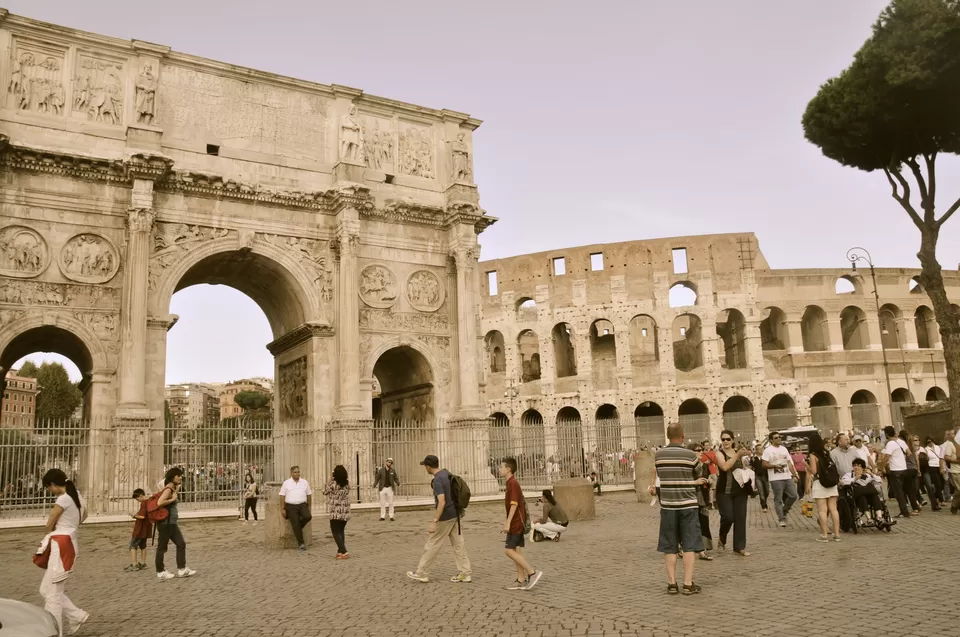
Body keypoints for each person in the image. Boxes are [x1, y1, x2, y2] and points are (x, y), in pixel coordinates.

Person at [647, 423, 706, 595]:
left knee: (669, 544)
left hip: (668, 505)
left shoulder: (659, 455)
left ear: (667, 435)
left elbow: (658, 473)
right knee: (689, 544)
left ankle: (672, 583)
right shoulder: (690, 455)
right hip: (687, 504)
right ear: (682, 435)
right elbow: (699, 473)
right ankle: (688, 583)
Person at [37, 469, 89, 636]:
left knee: (52, 594)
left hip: (61, 544)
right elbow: (85, 514)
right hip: (69, 542)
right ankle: (76, 615)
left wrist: (49, 532)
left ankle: (53, 632)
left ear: (53, 484)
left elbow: (51, 520)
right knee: (46, 590)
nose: (49, 491)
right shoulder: (77, 496)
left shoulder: (64, 498)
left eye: (48, 488)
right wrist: (71, 525)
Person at [406, 455, 472, 584]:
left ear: (428, 467)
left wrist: (435, 521)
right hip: (455, 514)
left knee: (432, 544)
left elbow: (441, 502)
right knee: (459, 545)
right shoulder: (446, 474)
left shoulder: (437, 481)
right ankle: (465, 573)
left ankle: (422, 573)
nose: (425, 468)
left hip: (445, 516)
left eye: (425, 466)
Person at [500, 457, 543, 590]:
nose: (499, 469)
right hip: (516, 522)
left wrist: (507, 523)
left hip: (516, 523)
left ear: (508, 469)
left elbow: (514, 504)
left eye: (501, 467)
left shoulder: (512, 483)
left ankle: (532, 572)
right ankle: (521, 579)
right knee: (516, 550)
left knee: (508, 550)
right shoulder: (510, 483)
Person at [714, 430, 751, 556]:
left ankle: (739, 547)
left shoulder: (738, 453)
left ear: (733, 440)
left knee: (740, 518)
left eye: (728, 439)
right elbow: (724, 467)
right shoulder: (719, 453)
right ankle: (722, 538)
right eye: (723, 439)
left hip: (740, 490)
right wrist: (737, 455)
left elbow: (745, 468)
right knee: (728, 517)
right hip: (724, 490)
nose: (725, 441)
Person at [155, 467, 196, 580]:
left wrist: (176, 489)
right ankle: (160, 571)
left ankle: (182, 569)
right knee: (161, 547)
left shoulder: (172, 488)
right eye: (178, 476)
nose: (180, 478)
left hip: (171, 522)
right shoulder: (168, 489)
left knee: (181, 543)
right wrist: (172, 500)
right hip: (165, 523)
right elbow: (159, 503)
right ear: (172, 477)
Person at [806, 432, 841, 542]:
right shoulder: (826, 452)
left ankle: (824, 534)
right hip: (831, 483)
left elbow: (814, 471)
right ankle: (837, 534)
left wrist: (806, 466)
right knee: (834, 509)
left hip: (820, 483)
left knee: (822, 510)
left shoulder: (813, 455)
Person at [762, 431, 800, 527]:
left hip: (787, 476)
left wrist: (795, 474)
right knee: (778, 499)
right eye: (776, 438)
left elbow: (789, 463)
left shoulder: (784, 449)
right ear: (771, 440)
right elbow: (764, 464)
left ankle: (784, 510)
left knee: (793, 495)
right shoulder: (768, 450)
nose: (779, 439)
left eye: (779, 437)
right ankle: (781, 519)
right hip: (775, 478)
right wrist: (774, 466)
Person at [879, 425, 915, 519]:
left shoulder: (890, 444)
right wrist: (901, 458)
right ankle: (908, 509)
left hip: (895, 470)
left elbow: (886, 457)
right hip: (904, 468)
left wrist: (882, 467)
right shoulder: (901, 441)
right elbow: (909, 453)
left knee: (899, 492)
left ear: (886, 434)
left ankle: (904, 512)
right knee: (903, 490)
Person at [279, 465, 313, 551]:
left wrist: (309, 506)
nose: (297, 473)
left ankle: (297, 527)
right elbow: (282, 496)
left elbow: (309, 494)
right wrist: (283, 508)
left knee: (308, 517)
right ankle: (301, 544)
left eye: (298, 471)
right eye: (295, 472)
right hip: (291, 506)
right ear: (291, 473)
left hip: (302, 505)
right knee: (295, 523)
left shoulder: (304, 482)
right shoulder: (286, 483)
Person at [324, 465, 351, 559]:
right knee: (341, 531)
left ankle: (344, 551)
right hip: (345, 511)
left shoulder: (333, 484)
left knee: (335, 532)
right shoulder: (347, 483)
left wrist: (330, 479)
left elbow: (324, 491)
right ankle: (340, 551)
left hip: (336, 512)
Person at [126, 488, 151, 572]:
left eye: (137, 499)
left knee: (133, 546)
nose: (137, 501)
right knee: (143, 546)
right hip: (146, 528)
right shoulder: (149, 501)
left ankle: (134, 564)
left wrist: (133, 515)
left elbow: (142, 516)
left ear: (140, 496)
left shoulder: (144, 503)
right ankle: (143, 562)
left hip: (140, 528)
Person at [919, 436, 945, 510]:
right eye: (928, 442)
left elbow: (941, 457)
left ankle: (937, 497)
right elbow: (926, 458)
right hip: (931, 466)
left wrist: (942, 466)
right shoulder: (926, 449)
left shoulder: (938, 447)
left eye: (931, 441)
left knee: (942, 483)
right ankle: (941, 500)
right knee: (937, 483)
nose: (930, 443)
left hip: (939, 465)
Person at [941, 431, 960, 514]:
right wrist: (957, 461)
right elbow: (946, 457)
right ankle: (955, 505)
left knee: (958, 489)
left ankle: (956, 505)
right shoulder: (949, 444)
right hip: (955, 471)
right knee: (959, 489)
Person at [751, 443, 770, 512]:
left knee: (767, 491)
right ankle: (764, 506)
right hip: (758, 476)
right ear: (756, 450)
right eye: (759, 449)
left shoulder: (766, 458)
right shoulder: (754, 459)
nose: (761, 450)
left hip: (765, 476)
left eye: (762, 449)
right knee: (761, 492)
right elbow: (751, 467)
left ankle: (764, 500)